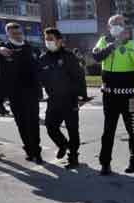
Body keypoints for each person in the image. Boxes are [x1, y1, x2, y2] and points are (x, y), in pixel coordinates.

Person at [92, 14, 134, 175]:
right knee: (108, 130)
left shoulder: (132, 44)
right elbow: (96, 56)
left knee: (132, 129)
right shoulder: (103, 41)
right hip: (109, 96)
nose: (117, 25)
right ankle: (105, 163)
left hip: (129, 96)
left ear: (124, 26)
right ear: (109, 26)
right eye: (114, 23)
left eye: (120, 23)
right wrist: (112, 45)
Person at [0, 22, 42, 163]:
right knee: (22, 123)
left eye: (18, 33)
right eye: (13, 33)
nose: (17, 35)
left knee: (34, 122)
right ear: (8, 34)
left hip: (32, 91)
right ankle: (29, 150)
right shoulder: (4, 48)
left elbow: (39, 65)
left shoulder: (30, 47)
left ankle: (36, 151)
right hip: (15, 93)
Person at [39, 28, 86, 169]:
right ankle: (63, 144)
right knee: (50, 126)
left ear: (59, 41)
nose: (48, 42)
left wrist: (82, 96)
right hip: (53, 99)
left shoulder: (69, 56)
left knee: (72, 129)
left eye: (51, 39)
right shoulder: (43, 58)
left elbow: (79, 76)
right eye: (46, 39)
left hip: (70, 99)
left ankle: (73, 157)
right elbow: (39, 77)